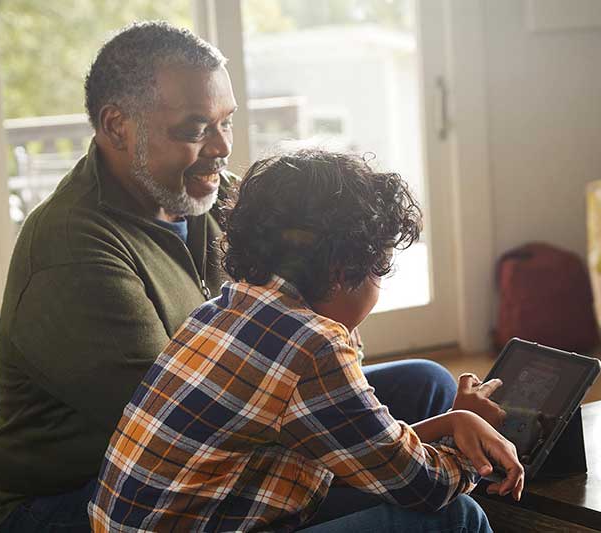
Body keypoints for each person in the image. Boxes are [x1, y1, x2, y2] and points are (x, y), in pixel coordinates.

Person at [0, 21, 504, 532]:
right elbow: (172, 422)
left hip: (234, 433)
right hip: (85, 497)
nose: (221, 148)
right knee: (439, 501)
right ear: (118, 126)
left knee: (428, 384)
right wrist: (404, 450)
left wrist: (426, 434)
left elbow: (289, 346)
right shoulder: (74, 250)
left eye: (226, 122)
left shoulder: (211, 191)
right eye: (194, 128)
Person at [89, 149, 524, 532]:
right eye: (381, 267)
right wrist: (466, 450)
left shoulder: (224, 308)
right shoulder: (314, 344)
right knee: (455, 517)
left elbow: (363, 449)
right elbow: (422, 488)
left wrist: (452, 423)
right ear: (342, 269)